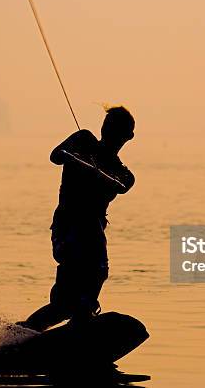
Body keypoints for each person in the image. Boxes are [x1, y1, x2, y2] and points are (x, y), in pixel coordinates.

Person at [17, 106, 136, 332]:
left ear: (129, 136)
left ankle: (79, 320)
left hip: (92, 232)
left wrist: (98, 171)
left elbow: (124, 185)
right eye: (109, 127)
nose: (112, 134)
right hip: (69, 228)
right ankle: (17, 336)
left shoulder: (123, 172)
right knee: (68, 299)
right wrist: (78, 158)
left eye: (119, 131)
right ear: (103, 127)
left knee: (75, 296)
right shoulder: (83, 140)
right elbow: (56, 156)